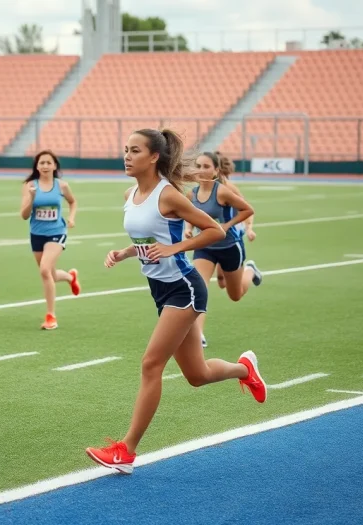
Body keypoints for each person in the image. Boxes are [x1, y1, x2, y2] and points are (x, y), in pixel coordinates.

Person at [85, 129, 267, 474]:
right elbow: (148, 238)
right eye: (125, 149)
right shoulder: (130, 194)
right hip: (160, 289)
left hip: (185, 288)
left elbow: (216, 231)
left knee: (151, 364)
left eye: (134, 150)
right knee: (196, 375)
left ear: (154, 157)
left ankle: (126, 450)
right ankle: (246, 369)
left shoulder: (168, 195)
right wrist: (125, 252)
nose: (126, 155)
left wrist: (175, 248)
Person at [184, 152, 263, 349]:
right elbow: (188, 214)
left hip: (229, 247)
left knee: (234, 295)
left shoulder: (223, 192)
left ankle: (251, 271)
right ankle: (198, 334)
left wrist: (228, 226)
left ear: (216, 170)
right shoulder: (191, 194)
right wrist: (188, 229)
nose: (201, 170)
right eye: (199, 166)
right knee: (199, 288)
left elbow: (247, 210)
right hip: (205, 247)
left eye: (206, 166)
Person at [20, 150, 80, 330]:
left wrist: (71, 218)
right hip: (37, 233)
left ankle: (50, 316)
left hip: (57, 231)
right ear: (36, 166)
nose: (45, 166)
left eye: (48, 162)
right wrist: (31, 198)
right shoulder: (30, 186)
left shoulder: (61, 185)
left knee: (45, 270)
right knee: (50, 274)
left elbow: (73, 202)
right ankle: (70, 277)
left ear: (55, 165)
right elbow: (23, 215)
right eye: (41, 163)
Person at [214, 153, 256, 290]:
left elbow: (247, 208)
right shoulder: (205, 187)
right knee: (221, 282)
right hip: (216, 236)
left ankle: (250, 271)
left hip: (232, 235)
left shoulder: (229, 188)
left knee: (233, 288)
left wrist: (249, 228)